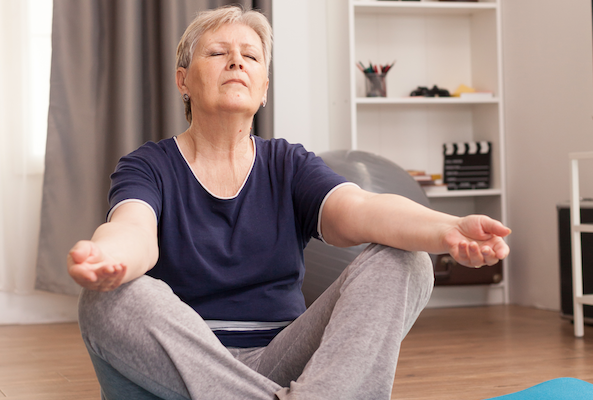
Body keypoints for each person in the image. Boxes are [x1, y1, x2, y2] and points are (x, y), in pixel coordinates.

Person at [68, 5, 511, 400]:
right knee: (108, 299)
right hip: (180, 365)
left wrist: (447, 229)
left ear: (262, 88)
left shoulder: (288, 164)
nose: (236, 60)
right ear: (183, 79)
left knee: (407, 262)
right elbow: (133, 228)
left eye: (251, 56)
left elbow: (358, 209)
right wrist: (109, 257)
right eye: (218, 52)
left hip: (284, 359)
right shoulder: (149, 165)